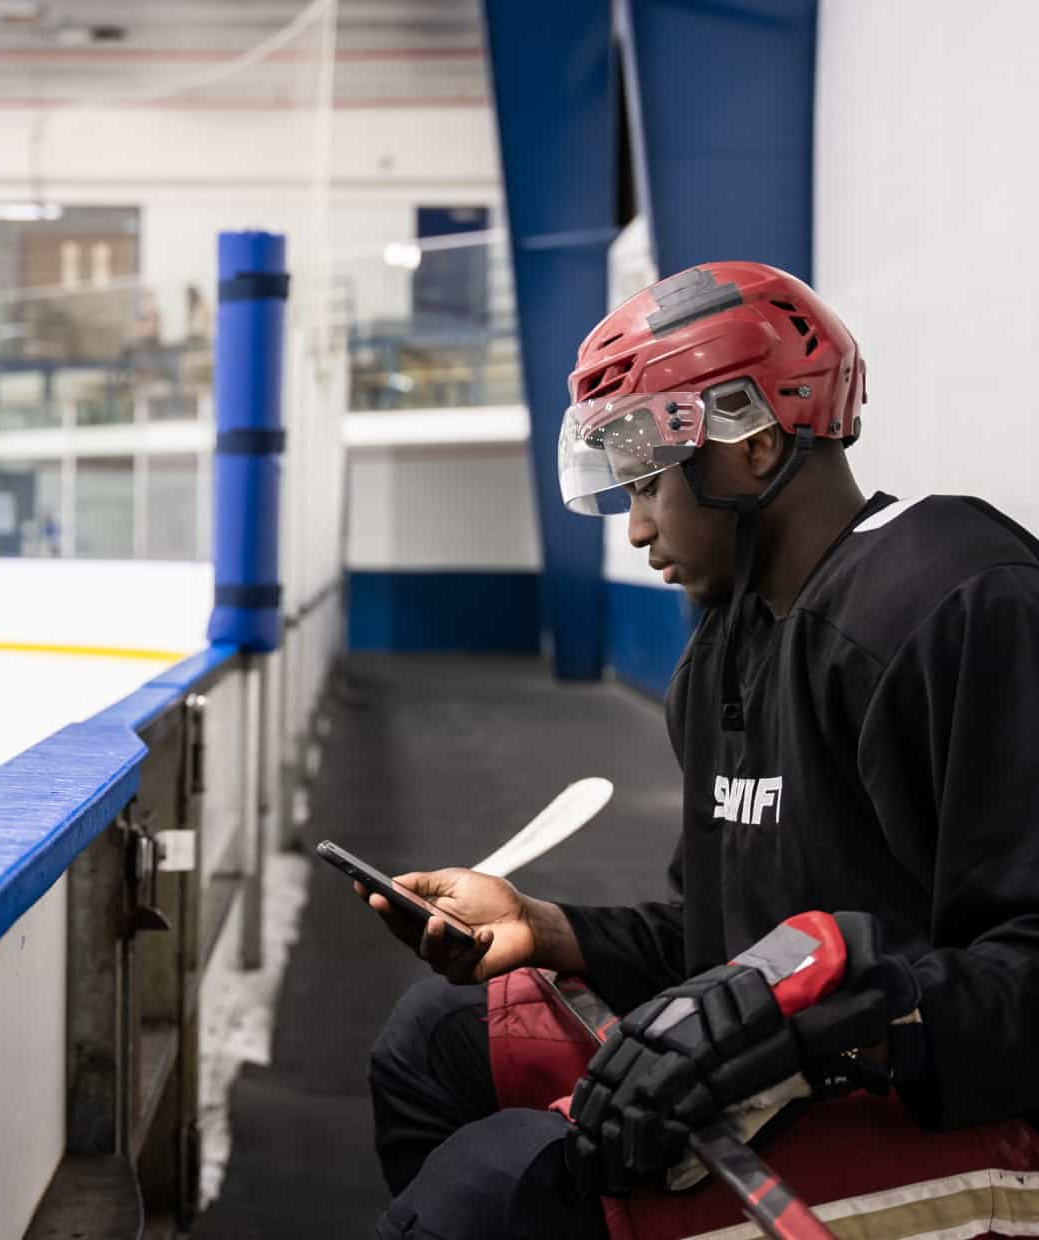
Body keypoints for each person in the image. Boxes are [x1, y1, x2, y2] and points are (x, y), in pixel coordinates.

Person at [357, 261, 1039, 1239]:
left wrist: (815, 1017)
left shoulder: (955, 600)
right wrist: (542, 926)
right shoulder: (729, 640)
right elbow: (723, 938)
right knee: (438, 1039)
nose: (632, 529)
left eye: (647, 488)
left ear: (752, 445)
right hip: (816, 1062)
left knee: (494, 1191)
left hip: (981, 1115)